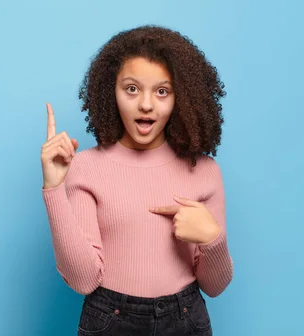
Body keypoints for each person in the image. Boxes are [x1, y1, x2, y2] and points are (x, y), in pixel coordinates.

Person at [40, 25, 233, 335]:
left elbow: (215, 285)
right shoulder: (85, 168)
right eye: (132, 89)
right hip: (110, 319)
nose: (146, 104)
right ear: (110, 92)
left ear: (180, 98)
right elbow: (83, 280)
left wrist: (212, 239)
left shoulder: (205, 171)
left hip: (185, 318)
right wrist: (54, 188)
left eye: (162, 91)